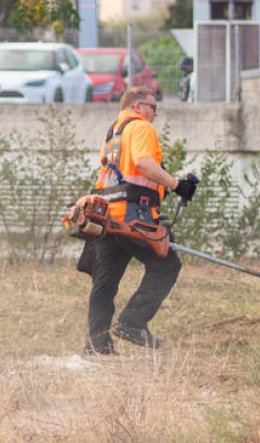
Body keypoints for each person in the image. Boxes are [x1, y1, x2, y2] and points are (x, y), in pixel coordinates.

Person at [83, 86, 198, 354]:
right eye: (153, 107)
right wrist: (177, 185)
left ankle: (97, 344)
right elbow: (144, 163)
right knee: (167, 265)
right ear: (139, 107)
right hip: (133, 216)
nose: (155, 113)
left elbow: (128, 171)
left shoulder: (114, 132)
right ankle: (133, 322)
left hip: (107, 217)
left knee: (105, 281)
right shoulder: (141, 127)